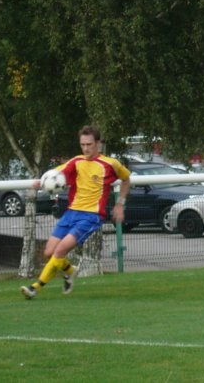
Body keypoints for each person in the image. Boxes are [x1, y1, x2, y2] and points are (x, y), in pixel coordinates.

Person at [21, 125, 131, 299]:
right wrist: (42, 181)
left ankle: (35, 287)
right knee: (49, 252)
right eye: (83, 145)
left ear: (98, 144)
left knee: (60, 251)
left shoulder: (110, 164)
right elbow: (57, 172)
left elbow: (126, 179)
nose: (86, 148)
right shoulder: (77, 161)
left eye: (89, 144)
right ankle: (71, 271)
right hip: (71, 213)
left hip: (91, 216)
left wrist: (120, 204)